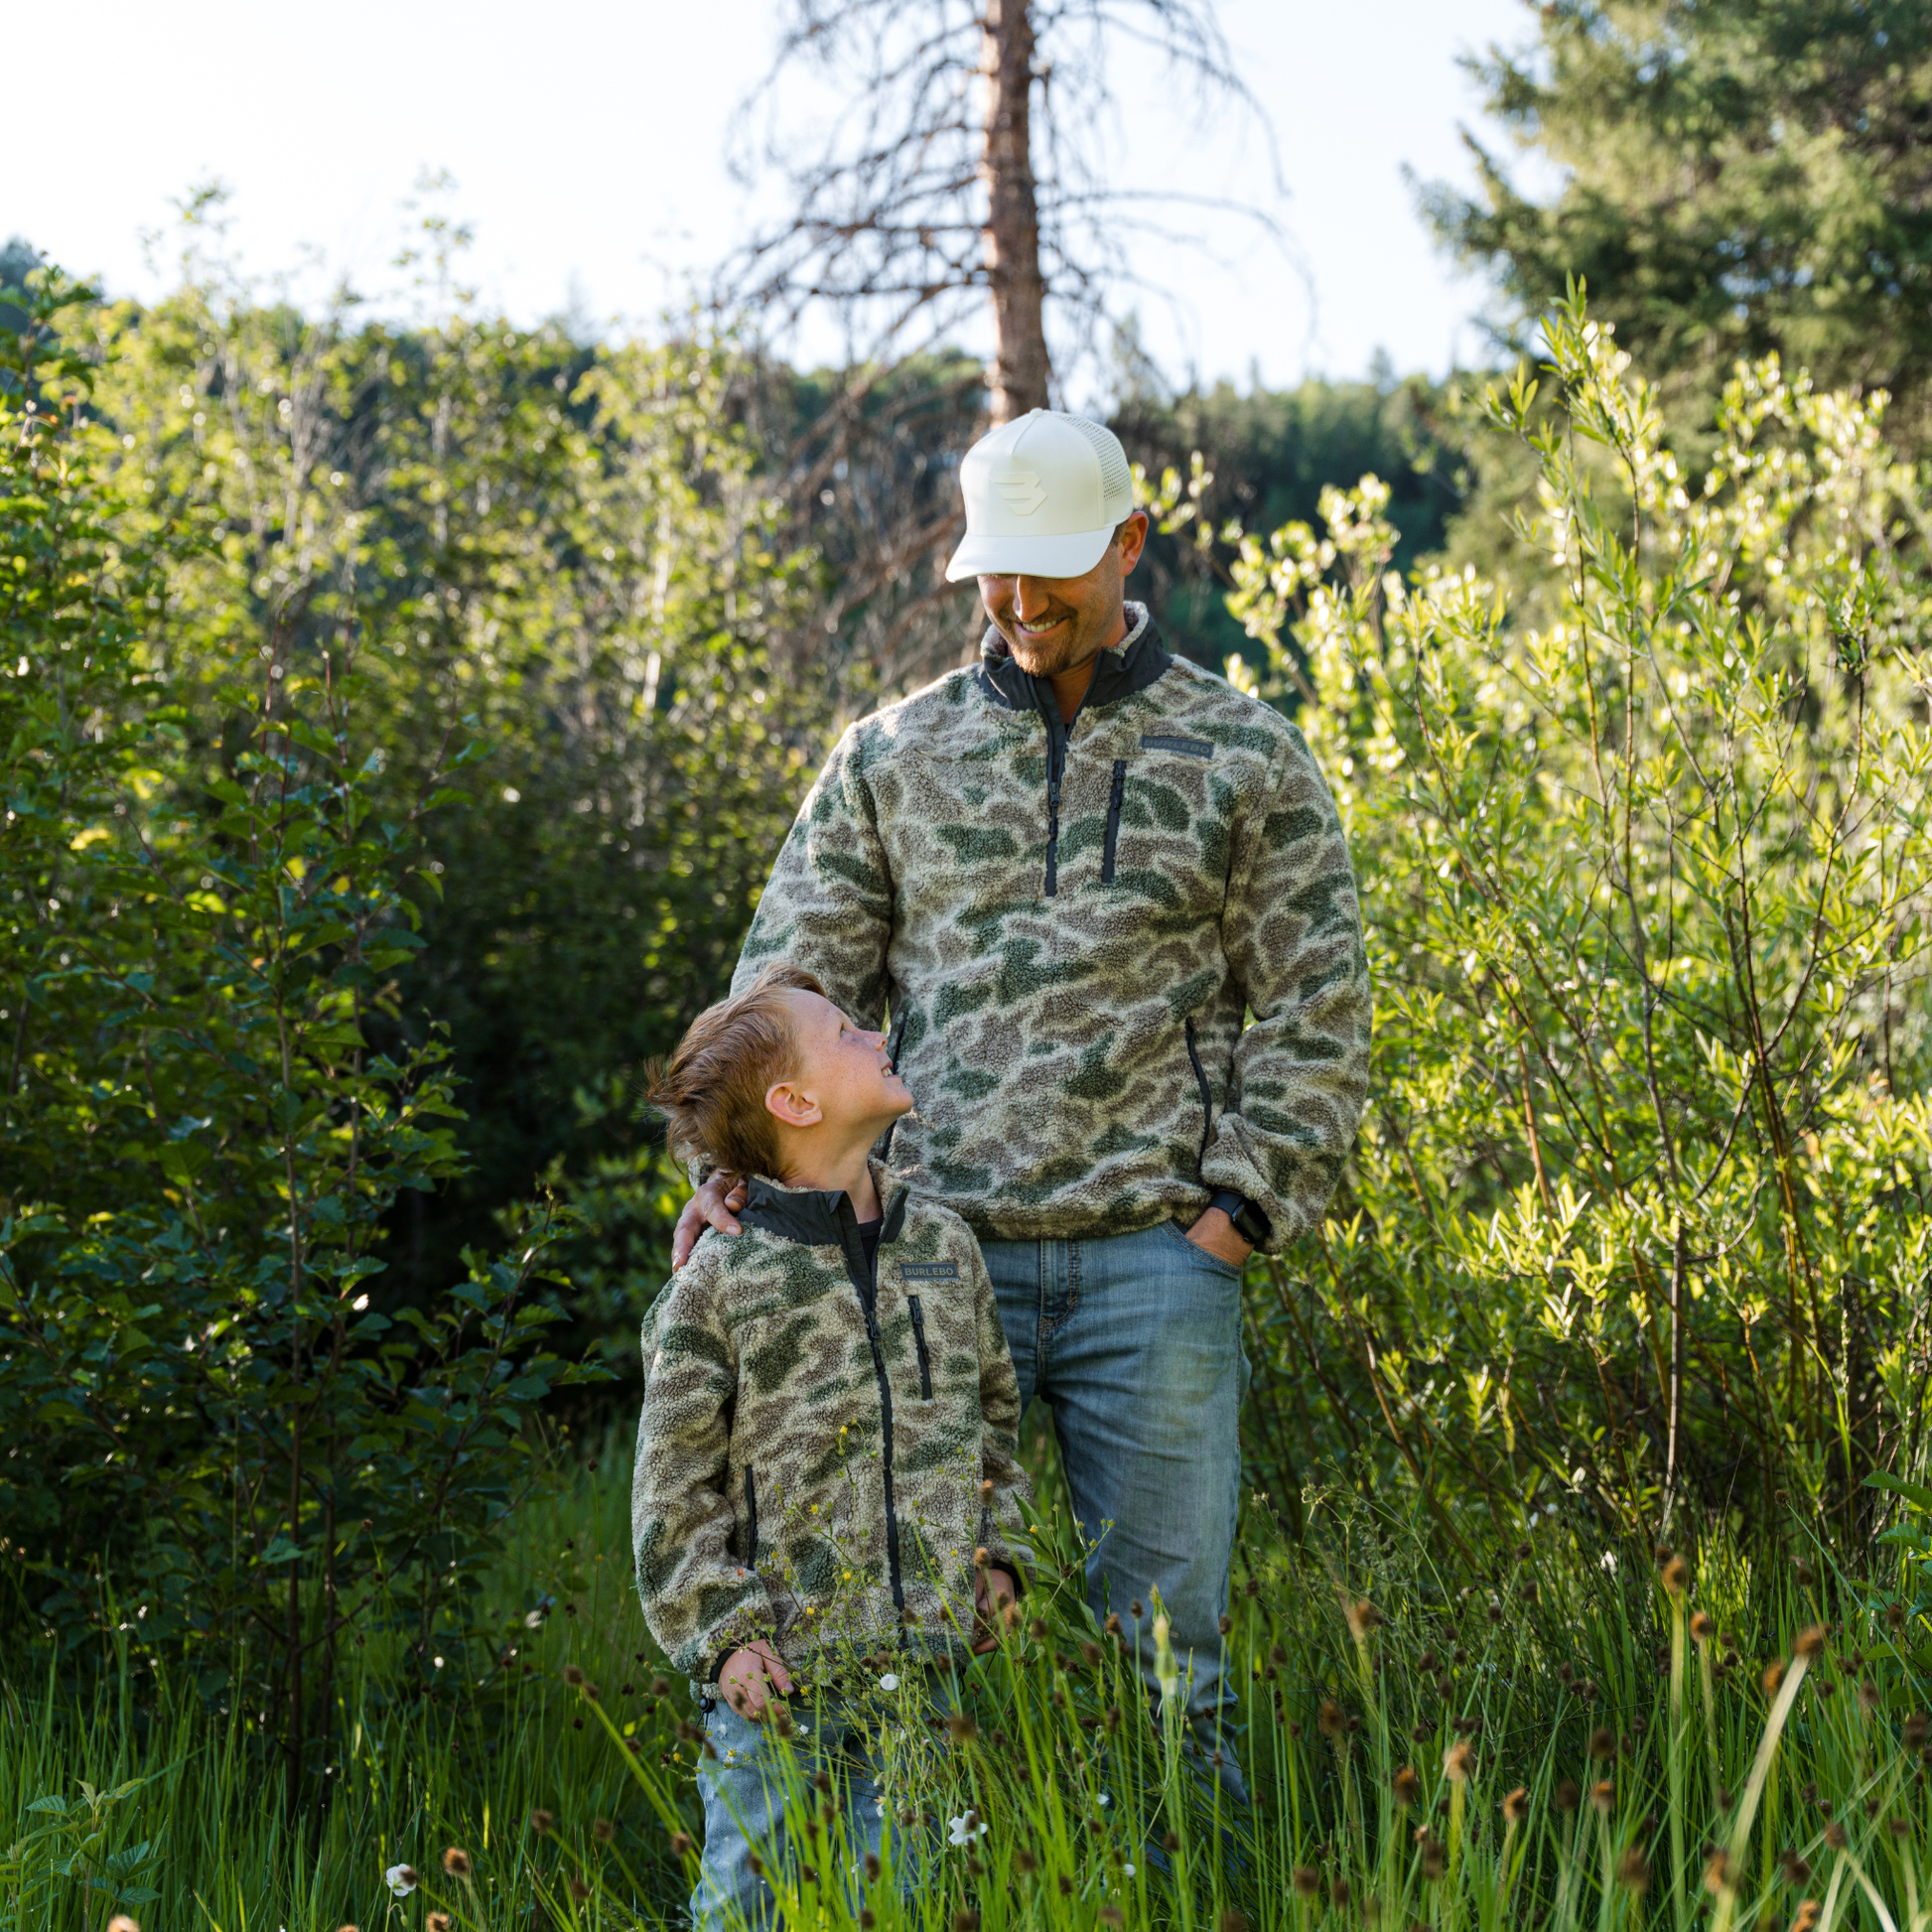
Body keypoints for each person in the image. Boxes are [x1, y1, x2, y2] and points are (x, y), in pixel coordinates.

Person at [673, 407, 1372, 1796]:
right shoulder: (889, 757)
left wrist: (1235, 1212)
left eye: (1051, 567)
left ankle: (1184, 1904)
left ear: (1128, 541)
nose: (1019, 603)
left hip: (1154, 1270)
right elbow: (780, 998)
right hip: (922, 1265)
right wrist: (729, 1173)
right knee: (887, 1640)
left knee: (1170, 1661)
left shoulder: (1243, 756)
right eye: (995, 571)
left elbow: (1316, 1005)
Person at [633, 961, 1032, 1927]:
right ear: (793, 1100)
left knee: (905, 1901)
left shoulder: (942, 1244)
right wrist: (725, 1635)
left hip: (925, 1674)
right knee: (750, 1905)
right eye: (845, 1029)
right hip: (780, 1675)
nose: (874, 1030)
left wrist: (1001, 1554)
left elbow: (993, 1427)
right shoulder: (717, 1280)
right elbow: (671, 1489)